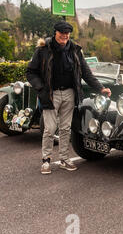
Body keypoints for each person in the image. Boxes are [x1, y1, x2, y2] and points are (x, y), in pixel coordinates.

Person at [26, 21, 111, 175]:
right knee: (50, 129)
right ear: (55, 33)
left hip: (70, 94)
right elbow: (31, 72)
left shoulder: (75, 50)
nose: (64, 36)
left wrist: (100, 88)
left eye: (67, 34)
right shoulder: (43, 49)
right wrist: (40, 88)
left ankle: (64, 158)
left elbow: (86, 73)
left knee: (65, 129)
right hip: (50, 94)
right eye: (61, 33)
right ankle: (46, 160)